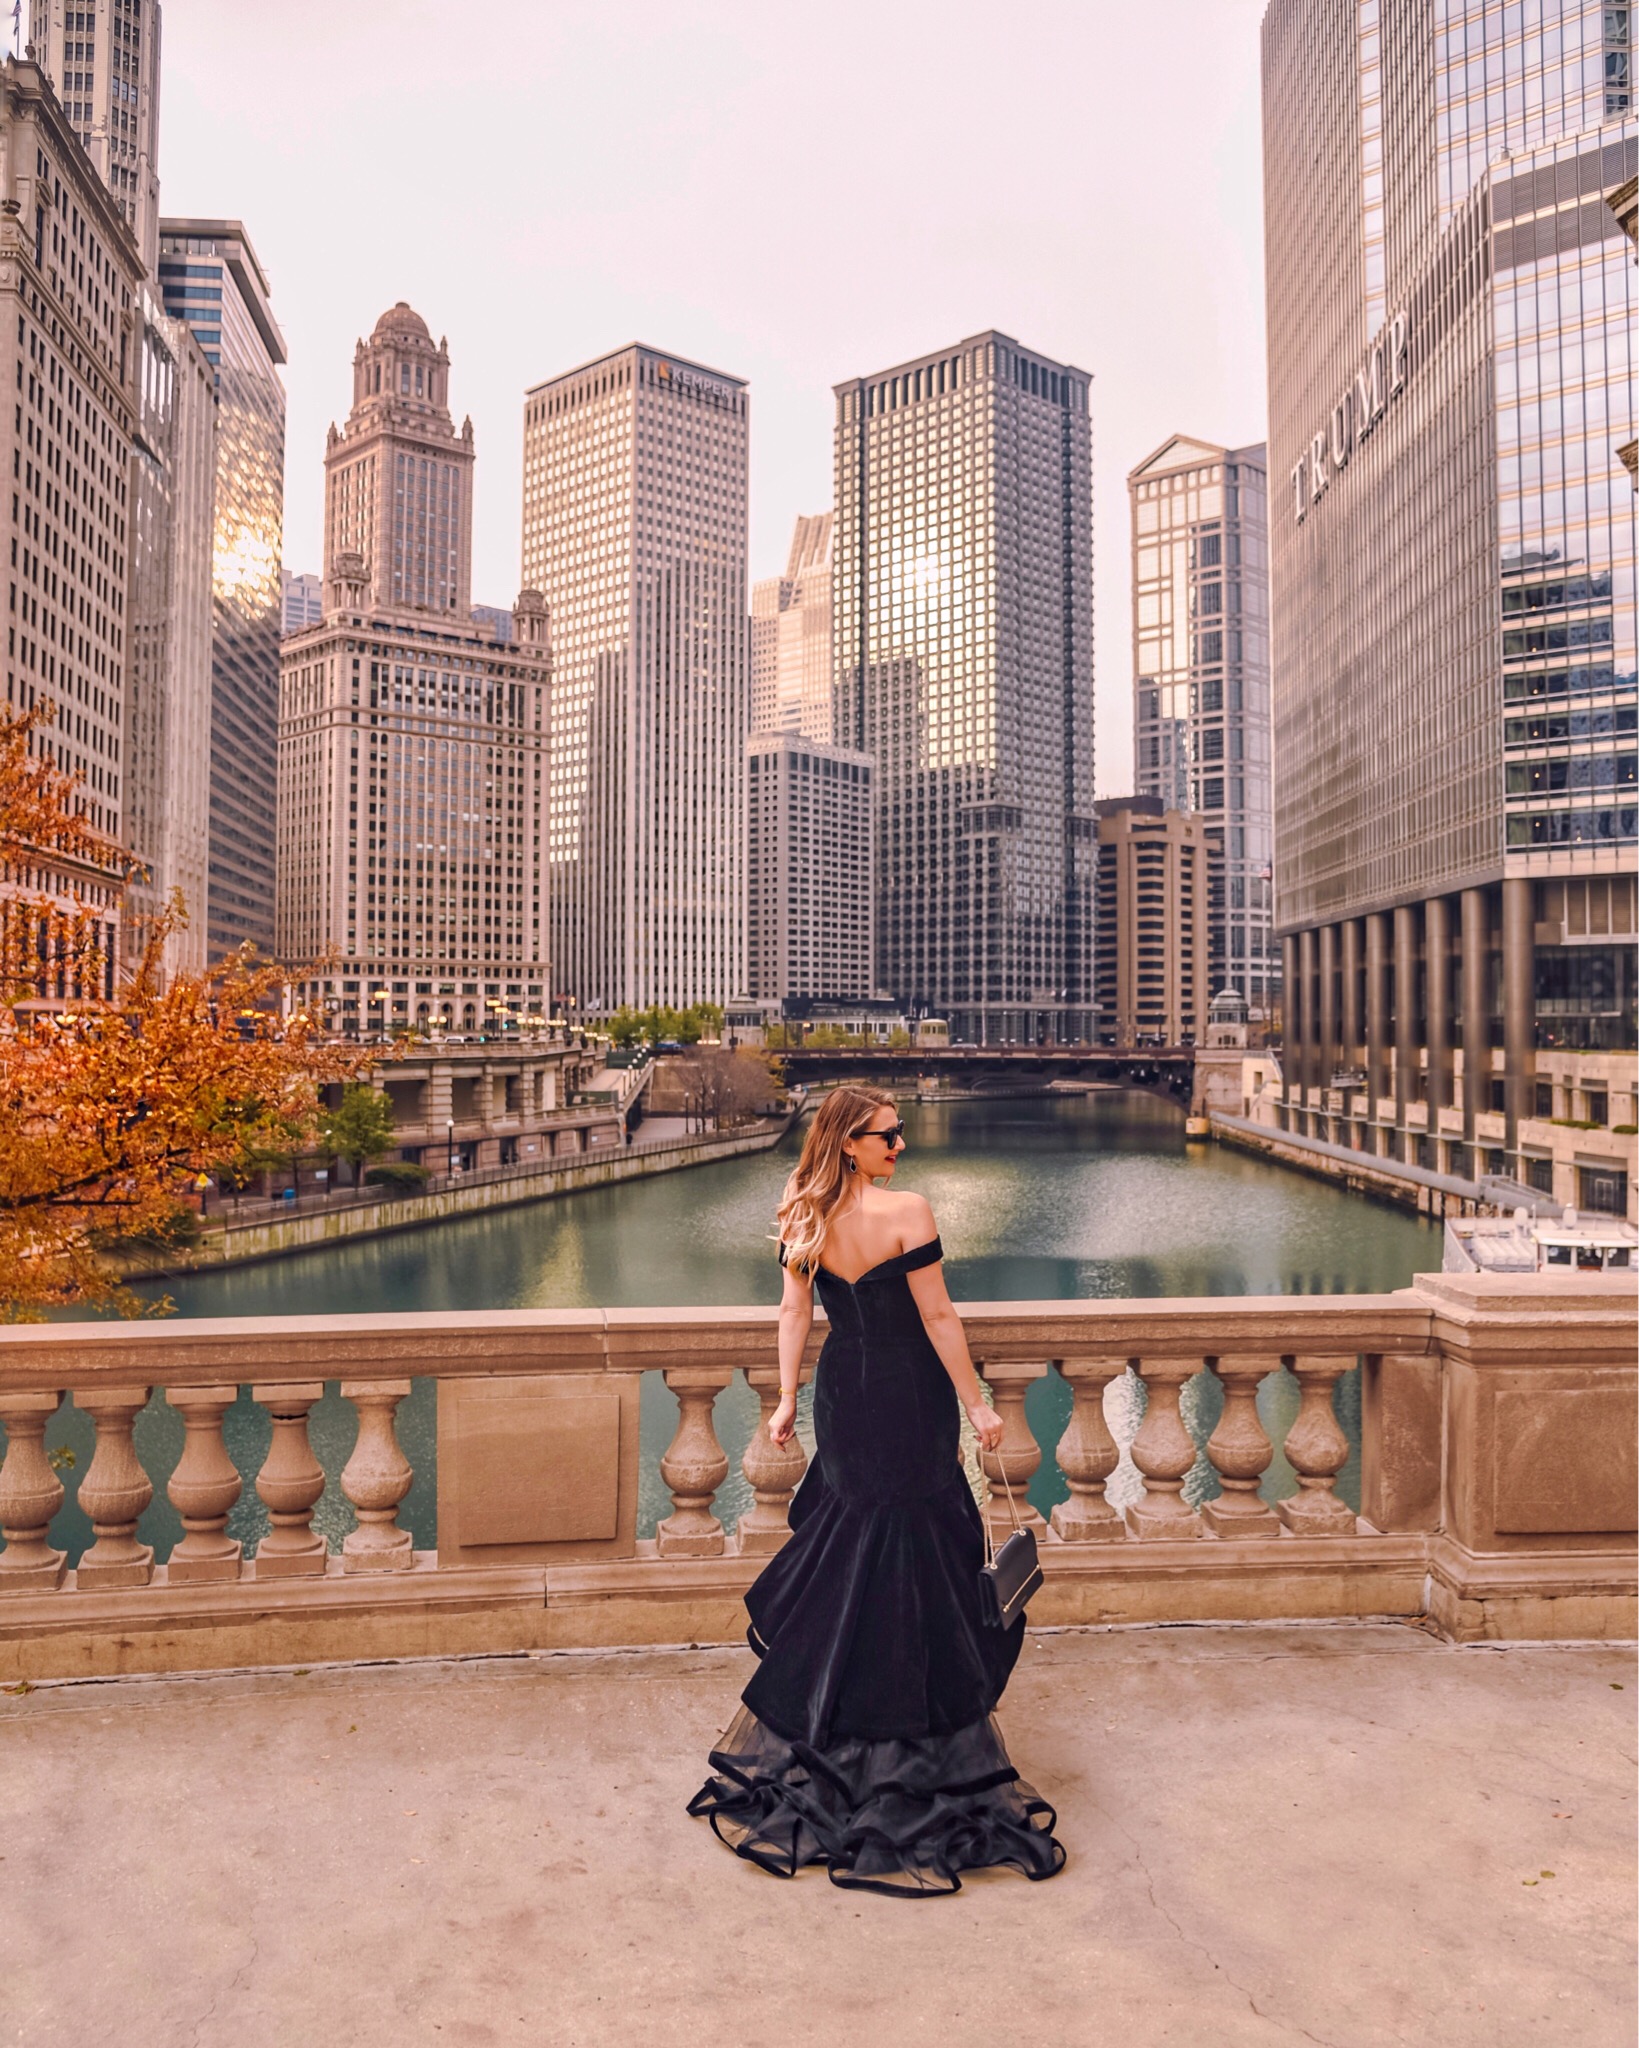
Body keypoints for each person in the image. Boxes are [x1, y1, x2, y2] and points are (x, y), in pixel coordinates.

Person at [687, 1085, 1065, 1896]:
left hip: (845, 1394)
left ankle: (836, 1739)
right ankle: (908, 1751)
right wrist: (976, 1404)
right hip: (907, 1396)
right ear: (848, 1141)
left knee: (858, 1552)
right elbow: (937, 1319)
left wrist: (789, 1396)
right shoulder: (909, 1212)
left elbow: (794, 1316)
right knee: (913, 1558)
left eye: (898, 1136)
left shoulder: (801, 1211)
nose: (900, 1147)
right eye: (887, 1137)